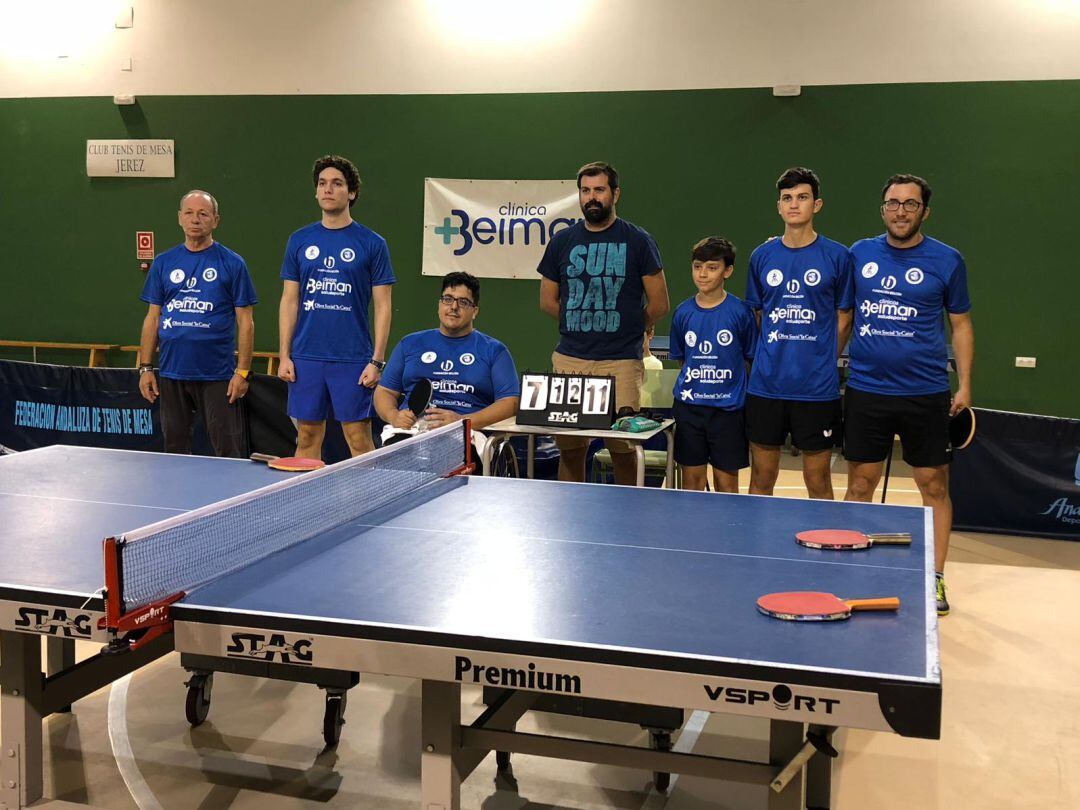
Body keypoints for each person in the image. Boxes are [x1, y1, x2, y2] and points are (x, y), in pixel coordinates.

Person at [843, 174, 974, 616]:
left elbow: (960, 325)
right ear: (882, 209)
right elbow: (844, 314)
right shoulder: (859, 253)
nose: (900, 211)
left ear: (924, 212)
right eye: (893, 203)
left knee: (933, 484)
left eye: (910, 204)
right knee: (860, 484)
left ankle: (934, 576)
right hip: (867, 389)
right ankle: (850, 568)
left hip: (926, 392)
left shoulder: (947, 260)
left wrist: (965, 384)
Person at [537, 161, 669, 484]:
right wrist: (581, 320)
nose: (592, 197)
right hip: (570, 360)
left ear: (615, 194)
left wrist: (630, 325)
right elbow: (548, 302)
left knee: (622, 450)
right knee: (570, 450)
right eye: (585, 190)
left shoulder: (638, 240)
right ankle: (571, 509)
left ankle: (626, 511)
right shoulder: (562, 241)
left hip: (621, 362)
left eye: (599, 190)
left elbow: (660, 303)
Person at [744, 167, 854, 499]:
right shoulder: (761, 256)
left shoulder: (838, 256)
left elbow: (844, 317)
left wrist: (824, 360)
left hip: (816, 388)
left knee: (817, 479)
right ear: (778, 206)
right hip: (766, 386)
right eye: (787, 198)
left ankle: (825, 536)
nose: (794, 204)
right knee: (762, 476)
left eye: (802, 197)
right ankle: (755, 536)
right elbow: (758, 314)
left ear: (816, 205)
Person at [278, 155, 395, 458]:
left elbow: (383, 306)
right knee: (306, 437)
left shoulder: (372, 243)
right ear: (316, 192)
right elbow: (289, 301)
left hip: (353, 358)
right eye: (322, 184)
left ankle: (370, 492)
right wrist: (284, 355)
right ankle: (309, 492)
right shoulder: (299, 240)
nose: (328, 189)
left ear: (351, 192)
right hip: (306, 357)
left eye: (337, 184)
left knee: (358, 438)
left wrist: (377, 361)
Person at [138, 190, 257, 456]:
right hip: (172, 373)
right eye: (189, 213)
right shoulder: (163, 263)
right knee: (175, 450)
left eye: (203, 214)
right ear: (179, 218)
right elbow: (153, 318)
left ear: (216, 220)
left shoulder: (233, 263)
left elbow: (246, 322)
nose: (195, 219)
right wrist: (145, 368)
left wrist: (243, 373)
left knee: (228, 451)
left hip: (218, 375)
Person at [374, 272, 519, 441]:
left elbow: (510, 403)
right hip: (410, 432)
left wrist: (462, 421)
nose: (454, 307)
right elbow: (384, 392)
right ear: (439, 305)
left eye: (463, 302)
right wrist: (393, 415)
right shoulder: (409, 344)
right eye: (448, 299)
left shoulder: (494, 350)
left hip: (466, 433)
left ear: (475, 311)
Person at [669, 237, 757, 493]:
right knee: (692, 483)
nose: (703, 274)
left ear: (727, 271)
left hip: (728, 411)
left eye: (712, 267)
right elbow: (683, 359)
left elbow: (749, 358)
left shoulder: (741, 312)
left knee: (726, 484)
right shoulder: (683, 312)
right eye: (697, 267)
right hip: (690, 409)